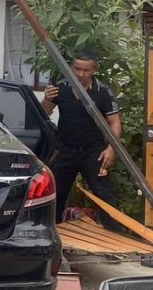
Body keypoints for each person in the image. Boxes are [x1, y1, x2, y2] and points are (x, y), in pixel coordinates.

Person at [40, 50, 122, 225]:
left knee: (104, 195)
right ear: (71, 68)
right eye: (77, 69)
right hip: (66, 150)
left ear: (94, 71)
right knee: (54, 194)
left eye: (86, 70)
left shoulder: (102, 92)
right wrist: (46, 99)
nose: (80, 74)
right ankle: (53, 233)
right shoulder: (61, 88)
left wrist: (111, 149)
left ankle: (115, 237)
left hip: (94, 151)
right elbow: (44, 114)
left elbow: (114, 122)